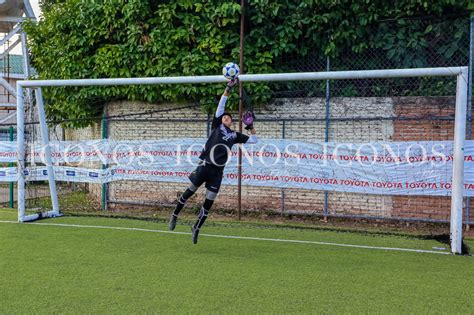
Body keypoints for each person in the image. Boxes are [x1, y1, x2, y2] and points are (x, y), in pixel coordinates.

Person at [168, 78, 258, 244]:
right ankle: (174, 215)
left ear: (231, 121)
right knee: (190, 191)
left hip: (217, 172)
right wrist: (228, 89)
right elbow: (221, 106)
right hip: (205, 166)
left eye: (228, 117)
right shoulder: (217, 126)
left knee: (208, 202)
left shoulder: (235, 135)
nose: (225, 117)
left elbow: (255, 141)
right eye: (223, 116)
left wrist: (251, 126)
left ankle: (196, 228)